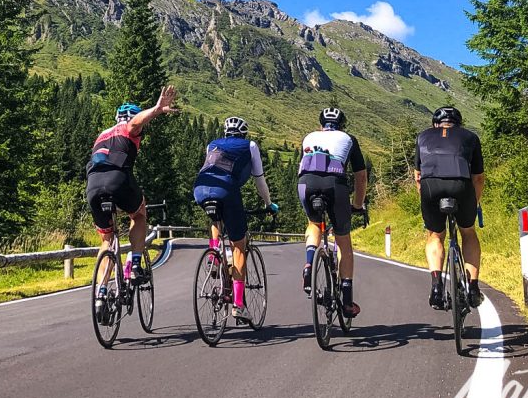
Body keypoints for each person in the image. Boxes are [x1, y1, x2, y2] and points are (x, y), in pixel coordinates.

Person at [87, 86, 179, 314]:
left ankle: (100, 293)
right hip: (117, 179)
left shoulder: (101, 136)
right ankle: (135, 262)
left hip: (92, 185)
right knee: (138, 214)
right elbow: (135, 124)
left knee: (107, 240)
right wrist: (157, 110)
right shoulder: (128, 129)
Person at [193, 116, 278, 322]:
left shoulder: (212, 144)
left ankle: (214, 255)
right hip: (227, 189)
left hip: (200, 188)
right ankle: (238, 305)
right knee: (239, 246)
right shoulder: (250, 145)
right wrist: (268, 204)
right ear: (243, 133)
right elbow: (259, 180)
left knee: (216, 218)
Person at [297, 107, 367, 319]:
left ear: (321, 125)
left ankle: (309, 263)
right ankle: (346, 301)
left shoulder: (309, 136)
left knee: (314, 223)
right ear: (341, 125)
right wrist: (357, 204)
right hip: (334, 184)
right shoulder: (348, 138)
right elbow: (361, 177)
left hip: (305, 183)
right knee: (343, 241)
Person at [415, 106, 486, 309]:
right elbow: (478, 177)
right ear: (459, 123)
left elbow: (418, 177)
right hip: (461, 185)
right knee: (468, 232)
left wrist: (427, 198)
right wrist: (475, 202)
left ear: (435, 124)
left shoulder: (422, 137)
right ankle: (473, 287)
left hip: (430, 186)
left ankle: (437, 285)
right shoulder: (470, 137)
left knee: (435, 235)